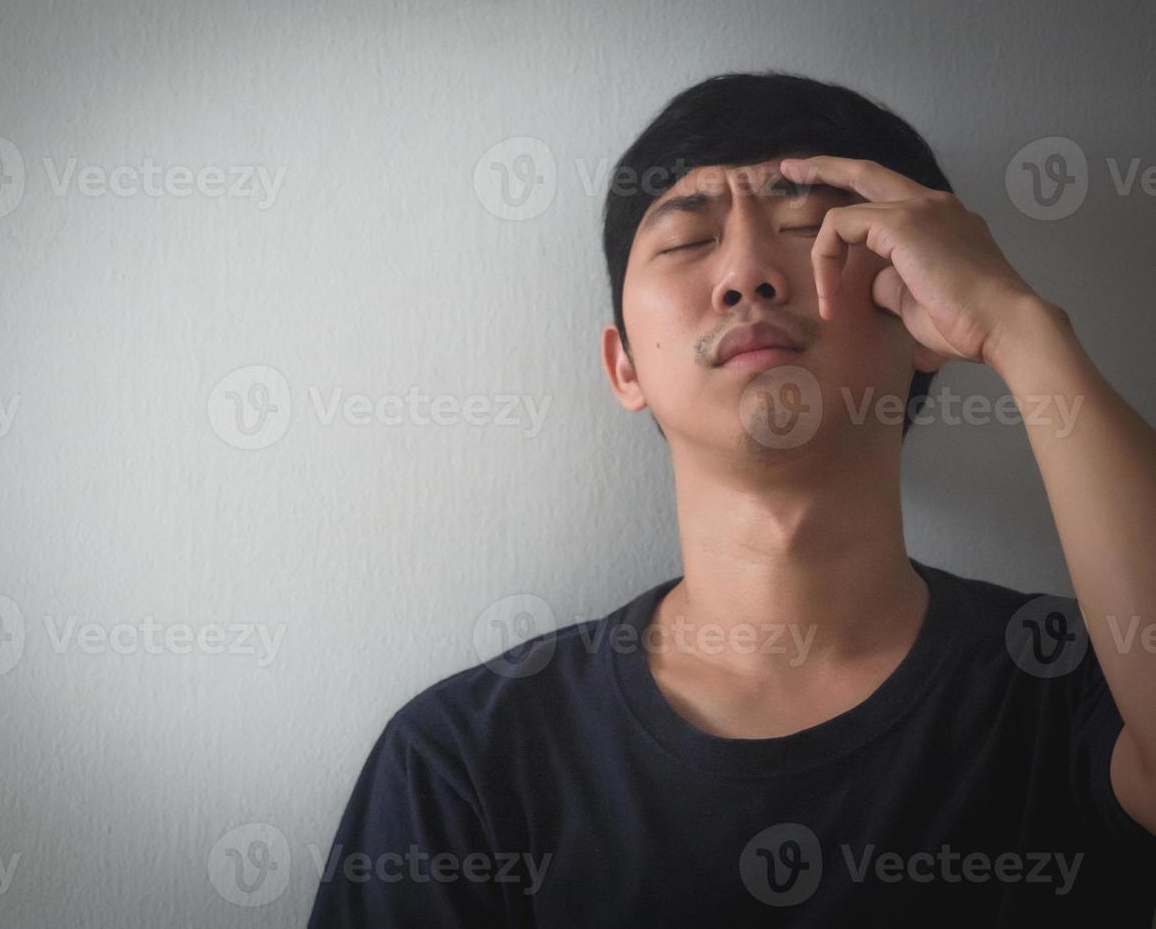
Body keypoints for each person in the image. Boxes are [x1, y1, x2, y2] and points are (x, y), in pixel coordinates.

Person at [307, 71, 1156, 926]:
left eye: (805, 230)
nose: (747, 274)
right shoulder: (464, 760)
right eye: (685, 243)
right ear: (624, 366)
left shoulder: (1075, 678)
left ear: (921, 308)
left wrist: (1018, 326)